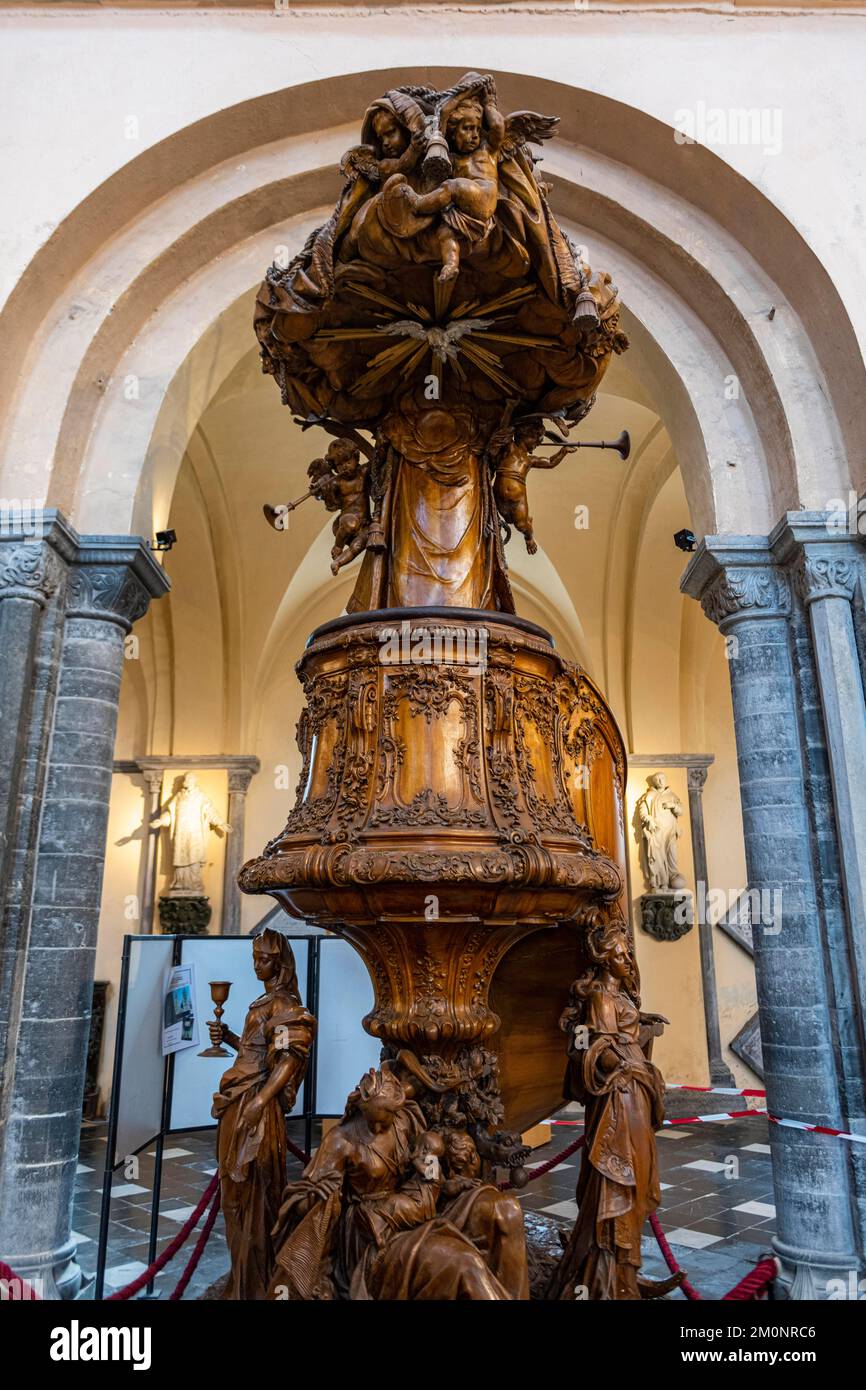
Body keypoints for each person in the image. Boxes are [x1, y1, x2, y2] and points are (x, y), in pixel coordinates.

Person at [546, 917, 667, 1300]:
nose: (627, 959)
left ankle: (625, 1274)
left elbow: (616, 1030)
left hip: (634, 1089)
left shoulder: (618, 995)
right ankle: (611, 1278)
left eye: (627, 953)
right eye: (619, 955)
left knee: (638, 1170)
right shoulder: (600, 995)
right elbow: (594, 1046)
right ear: (603, 960)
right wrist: (625, 1064)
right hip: (619, 1095)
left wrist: (641, 1020)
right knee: (620, 1177)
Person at [210, 930, 316, 1300]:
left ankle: (255, 1285)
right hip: (240, 1097)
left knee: (253, 1196)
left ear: (281, 963)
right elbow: (260, 1054)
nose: (257, 966)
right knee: (233, 1197)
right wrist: (229, 1039)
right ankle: (241, 1280)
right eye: (254, 958)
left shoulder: (283, 1004)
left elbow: (288, 1059)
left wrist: (260, 1102)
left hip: (255, 1104)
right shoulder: (265, 1000)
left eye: (265, 960)